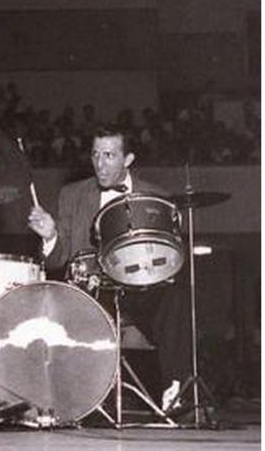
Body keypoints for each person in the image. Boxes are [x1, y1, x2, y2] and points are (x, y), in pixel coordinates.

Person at [27, 124, 192, 413]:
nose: (100, 164)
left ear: (128, 159)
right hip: (91, 292)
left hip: (141, 293)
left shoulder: (157, 196)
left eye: (109, 155)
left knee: (175, 298)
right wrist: (51, 235)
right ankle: (71, 401)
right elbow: (57, 260)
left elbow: (170, 259)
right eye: (95, 155)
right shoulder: (72, 194)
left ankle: (176, 391)